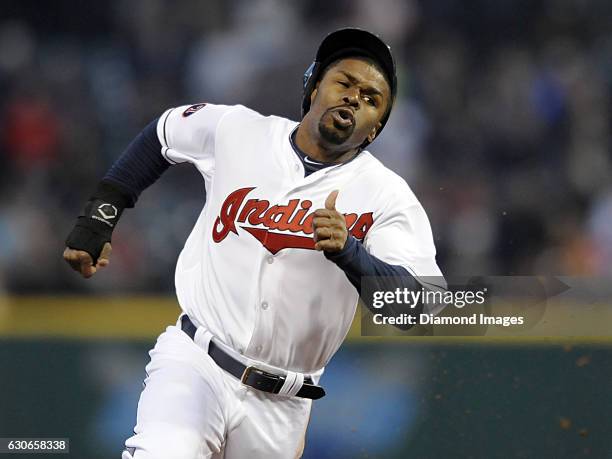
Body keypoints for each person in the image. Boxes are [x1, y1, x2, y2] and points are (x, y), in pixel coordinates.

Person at [63, 28, 445, 459]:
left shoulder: (386, 195)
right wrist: (99, 217)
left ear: (375, 130)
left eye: (372, 99)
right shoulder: (239, 130)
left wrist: (350, 254)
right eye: (345, 83)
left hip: (283, 404)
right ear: (314, 85)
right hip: (196, 363)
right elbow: (163, 134)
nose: (355, 98)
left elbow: (423, 307)